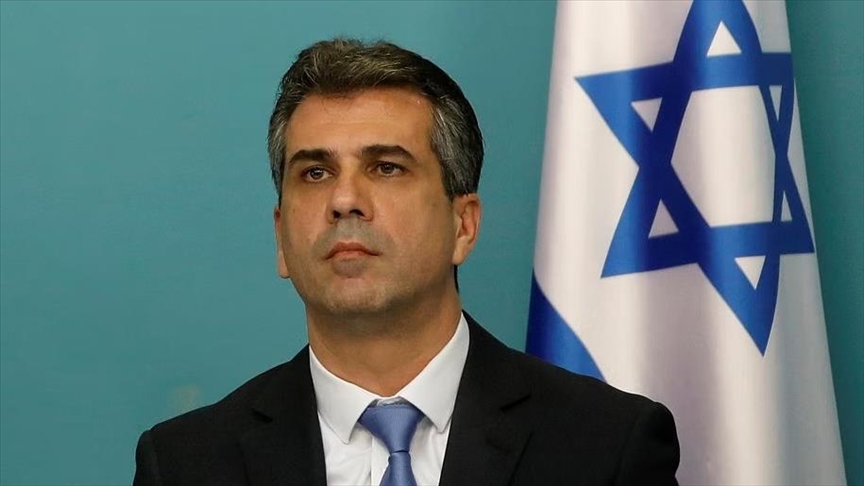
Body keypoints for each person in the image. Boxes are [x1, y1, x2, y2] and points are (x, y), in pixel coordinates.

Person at [133, 38, 680, 486]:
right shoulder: (185, 465)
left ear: (463, 226)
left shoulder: (606, 446)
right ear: (281, 237)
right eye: (315, 173)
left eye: (386, 167)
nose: (344, 200)